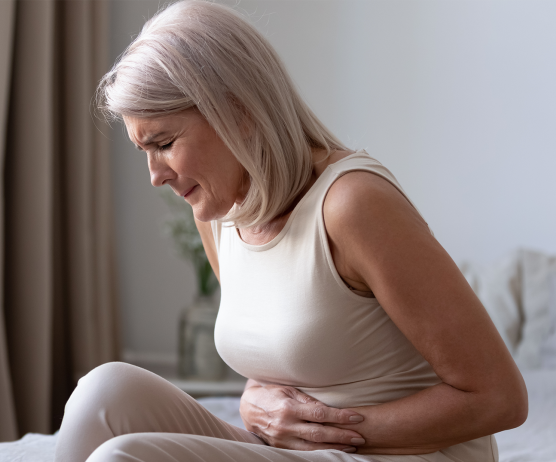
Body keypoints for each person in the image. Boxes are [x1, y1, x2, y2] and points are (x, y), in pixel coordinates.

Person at [55, 1, 527, 461]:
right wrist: (252, 403)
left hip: (398, 455)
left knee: (123, 457)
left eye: (164, 143)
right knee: (103, 391)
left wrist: (332, 434)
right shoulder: (217, 213)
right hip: (306, 452)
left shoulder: (352, 205)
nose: (155, 175)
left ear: (236, 110)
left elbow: (499, 397)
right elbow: (282, 350)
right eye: (144, 149)